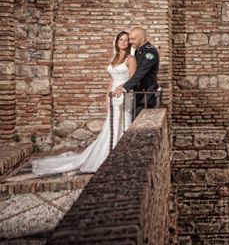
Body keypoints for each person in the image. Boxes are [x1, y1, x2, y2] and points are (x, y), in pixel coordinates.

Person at [32, 31, 137, 175]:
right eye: (121, 39)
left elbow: (132, 79)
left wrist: (122, 89)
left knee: (122, 123)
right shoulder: (115, 57)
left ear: (129, 43)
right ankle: (106, 152)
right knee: (110, 125)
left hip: (124, 94)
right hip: (112, 94)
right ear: (117, 41)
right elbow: (112, 78)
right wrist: (107, 95)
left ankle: (121, 155)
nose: (123, 42)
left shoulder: (130, 59)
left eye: (126, 40)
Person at [113, 26, 159, 112]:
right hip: (138, 95)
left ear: (142, 38)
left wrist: (124, 87)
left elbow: (140, 73)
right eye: (129, 39)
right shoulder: (139, 51)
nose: (130, 42)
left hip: (145, 96)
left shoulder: (150, 52)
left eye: (133, 39)